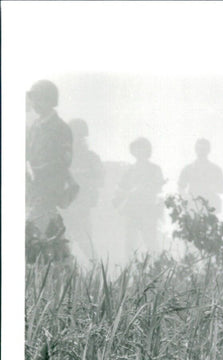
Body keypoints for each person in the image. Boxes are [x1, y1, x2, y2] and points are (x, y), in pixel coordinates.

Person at [26, 79, 77, 236]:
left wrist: (38, 171)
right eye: (33, 99)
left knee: (31, 229)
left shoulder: (60, 128)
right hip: (33, 187)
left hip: (49, 187)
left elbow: (64, 161)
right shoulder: (34, 126)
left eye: (40, 99)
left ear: (50, 101)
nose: (35, 103)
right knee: (45, 231)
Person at [114, 137, 165, 257]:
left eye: (143, 148)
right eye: (137, 148)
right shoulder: (130, 170)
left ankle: (157, 268)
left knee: (151, 243)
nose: (140, 151)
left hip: (148, 209)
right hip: (132, 210)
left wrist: (158, 209)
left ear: (147, 150)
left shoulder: (154, 169)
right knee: (130, 244)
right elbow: (120, 189)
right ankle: (130, 270)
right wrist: (130, 193)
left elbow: (159, 190)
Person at [61, 118, 105, 259]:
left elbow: (100, 179)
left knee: (86, 242)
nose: (76, 140)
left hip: (82, 205)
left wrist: (83, 178)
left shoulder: (91, 158)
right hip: (64, 205)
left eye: (79, 136)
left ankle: (96, 271)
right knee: (63, 243)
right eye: (74, 135)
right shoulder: (62, 157)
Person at [177, 138, 223, 213]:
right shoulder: (187, 169)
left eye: (204, 149)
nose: (201, 152)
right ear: (195, 149)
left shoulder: (216, 170)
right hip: (192, 206)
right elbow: (180, 187)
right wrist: (187, 198)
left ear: (208, 150)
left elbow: (222, 189)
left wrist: (216, 187)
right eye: (199, 149)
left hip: (211, 206)